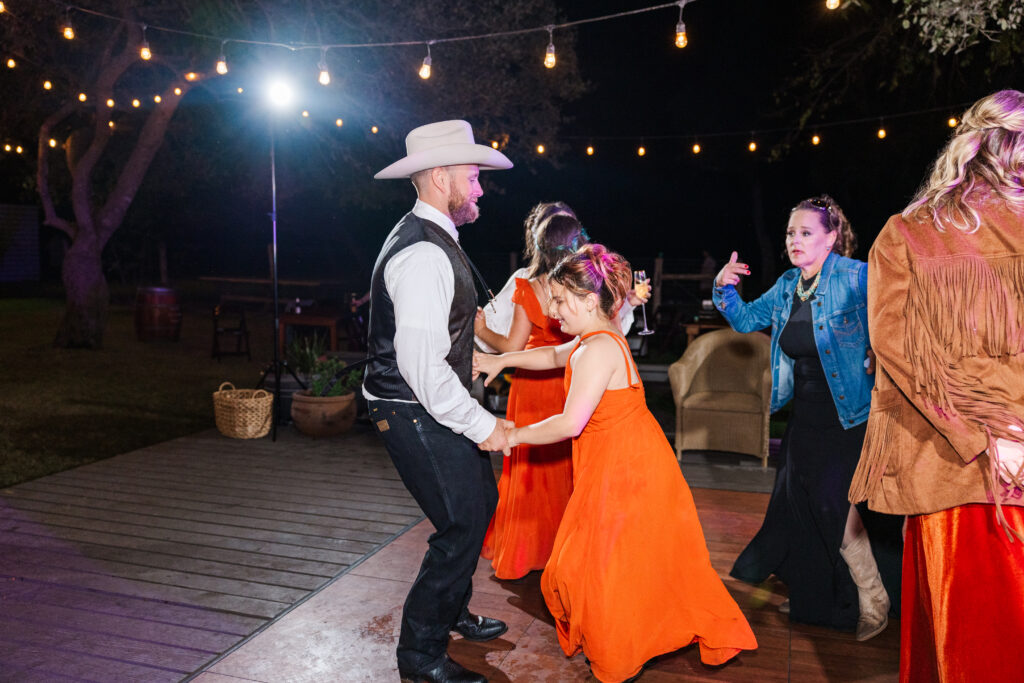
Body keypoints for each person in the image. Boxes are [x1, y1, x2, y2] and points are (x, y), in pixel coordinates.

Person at [474, 245, 757, 683]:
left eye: (561, 300)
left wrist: (510, 434)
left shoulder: (598, 351)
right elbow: (551, 356)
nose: (552, 311)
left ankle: (618, 650)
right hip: (620, 460)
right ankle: (620, 637)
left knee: (604, 562)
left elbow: (570, 422)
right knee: (610, 561)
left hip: (627, 471)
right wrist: (503, 358)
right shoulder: (595, 339)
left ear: (589, 301)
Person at [848, 90, 1024, 682]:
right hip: (980, 469)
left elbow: (895, 350)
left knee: (963, 646)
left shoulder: (907, 231)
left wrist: (980, 433)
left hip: (953, 466)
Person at [363, 119, 514, 683]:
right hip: (408, 408)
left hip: (429, 400)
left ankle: (450, 610)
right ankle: (420, 656)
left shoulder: (436, 235)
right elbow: (421, 368)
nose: (479, 188)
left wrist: (475, 348)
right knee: (460, 524)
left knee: (480, 501)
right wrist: (486, 426)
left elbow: (444, 332)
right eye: (473, 177)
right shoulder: (423, 254)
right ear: (440, 176)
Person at [713, 195, 903, 640]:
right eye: (789, 233)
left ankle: (873, 596)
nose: (794, 241)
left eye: (805, 233)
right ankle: (818, 597)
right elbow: (743, 321)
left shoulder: (855, 278)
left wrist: (879, 351)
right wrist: (724, 287)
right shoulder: (786, 285)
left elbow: (896, 313)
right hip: (804, 419)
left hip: (848, 417)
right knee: (805, 510)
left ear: (831, 238)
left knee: (833, 508)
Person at [474, 213, 587, 580]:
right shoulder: (580, 287)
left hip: (532, 386)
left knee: (528, 470)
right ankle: (565, 548)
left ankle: (524, 553)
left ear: (537, 245)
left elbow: (511, 345)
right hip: (568, 383)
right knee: (564, 466)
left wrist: (481, 329)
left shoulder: (530, 287)